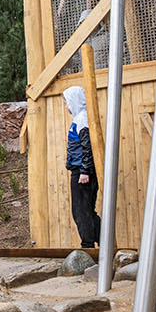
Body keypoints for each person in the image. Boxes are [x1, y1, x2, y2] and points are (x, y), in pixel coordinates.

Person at [63, 86, 101, 249]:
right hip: (79, 170)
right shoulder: (80, 119)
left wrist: (85, 171)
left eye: (67, 102)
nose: (66, 107)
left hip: (82, 172)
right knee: (86, 210)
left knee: (81, 210)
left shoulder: (83, 120)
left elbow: (88, 146)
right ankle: (101, 241)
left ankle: (88, 245)